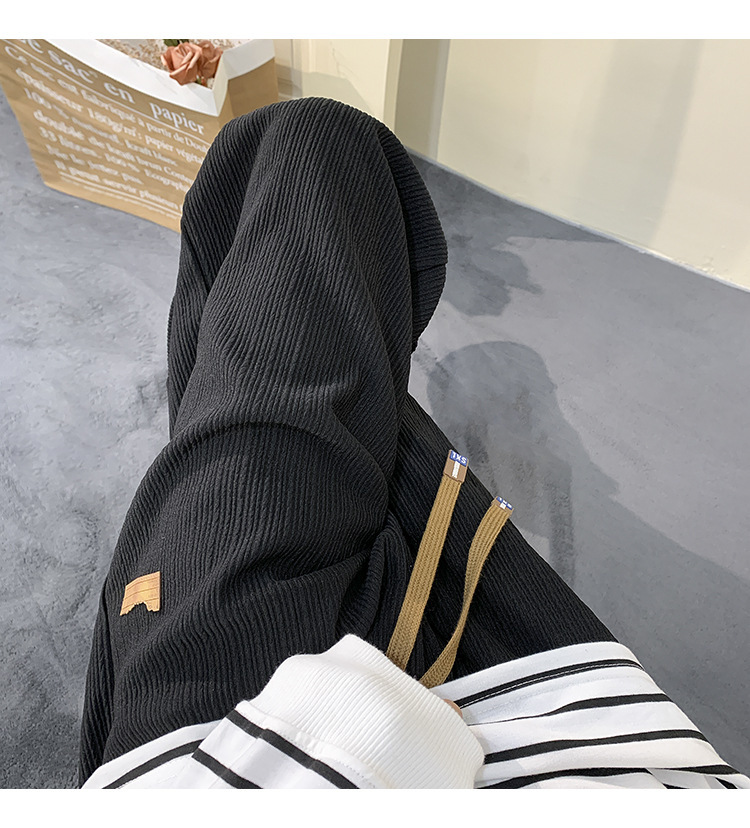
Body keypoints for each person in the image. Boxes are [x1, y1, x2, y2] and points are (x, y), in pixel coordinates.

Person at [78, 96, 748, 789]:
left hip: (229, 736)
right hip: (559, 721)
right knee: (310, 350)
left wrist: (377, 737)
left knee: (306, 145)